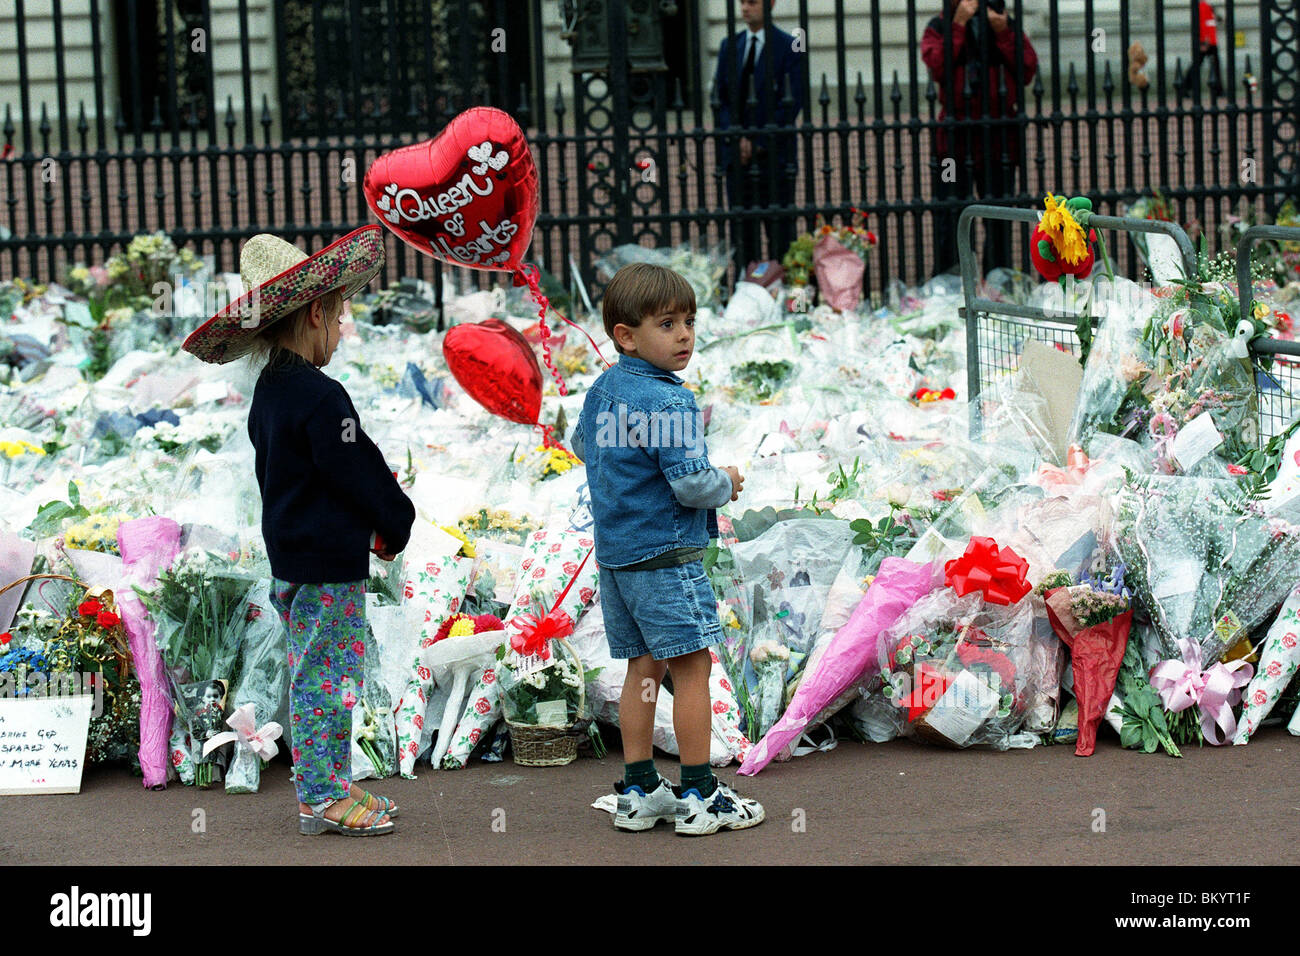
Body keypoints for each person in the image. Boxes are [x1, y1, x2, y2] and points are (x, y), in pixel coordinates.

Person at [181, 226, 415, 837]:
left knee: (318, 671)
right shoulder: (321, 396)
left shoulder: (272, 391)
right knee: (328, 680)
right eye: (339, 317)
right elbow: (357, 469)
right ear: (316, 314)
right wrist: (395, 521)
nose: (341, 330)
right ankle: (321, 795)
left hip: (292, 560)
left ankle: (329, 782)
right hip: (326, 565)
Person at [570, 262, 764, 836]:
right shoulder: (670, 404)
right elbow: (690, 484)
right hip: (666, 555)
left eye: (689, 322)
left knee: (643, 668)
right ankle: (701, 792)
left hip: (618, 556)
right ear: (626, 335)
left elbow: (582, 445)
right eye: (667, 323)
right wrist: (726, 480)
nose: (684, 335)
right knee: (693, 667)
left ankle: (639, 788)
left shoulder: (604, 389)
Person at [922, 0, 1038, 276]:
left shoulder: (1003, 23)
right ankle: (950, 279)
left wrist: (1003, 33)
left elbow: (1028, 69)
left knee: (999, 218)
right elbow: (937, 67)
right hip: (954, 143)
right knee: (950, 215)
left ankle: (998, 281)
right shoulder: (939, 26)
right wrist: (959, 26)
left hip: (998, 143)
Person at [713, 0, 803, 269]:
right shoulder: (729, 46)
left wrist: (759, 141)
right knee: (743, 234)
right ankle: (745, 290)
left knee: (780, 233)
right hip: (736, 158)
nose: (744, 8)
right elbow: (719, 99)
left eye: (751, 2)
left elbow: (792, 102)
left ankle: (785, 291)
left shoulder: (790, 46)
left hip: (774, 156)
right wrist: (736, 138)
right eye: (741, 2)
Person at [1177, 2, 1224, 99]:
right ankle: (1185, 87)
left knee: (1211, 65)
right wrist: (1204, 41)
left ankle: (1218, 89)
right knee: (1202, 65)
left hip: (1210, 40)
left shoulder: (1208, 6)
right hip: (1207, 41)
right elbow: (1202, 24)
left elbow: (1211, 22)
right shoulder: (1202, 6)